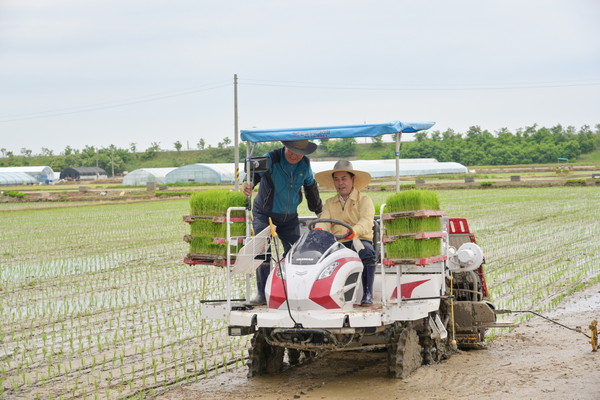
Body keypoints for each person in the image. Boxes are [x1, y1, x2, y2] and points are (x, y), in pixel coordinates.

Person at [243, 139, 323, 305]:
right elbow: (253, 174)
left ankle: (291, 291)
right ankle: (263, 294)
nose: (294, 155)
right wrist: (248, 183)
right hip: (264, 213)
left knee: (296, 252)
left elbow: (310, 186)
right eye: (291, 150)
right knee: (262, 251)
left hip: (289, 216)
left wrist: (318, 210)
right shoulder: (272, 158)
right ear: (285, 147)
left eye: (299, 153)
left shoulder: (305, 165)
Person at [314, 160, 376, 305]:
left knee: (367, 252)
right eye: (336, 179)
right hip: (337, 243)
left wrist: (354, 231)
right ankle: (323, 296)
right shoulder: (330, 202)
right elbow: (324, 220)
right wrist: (319, 230)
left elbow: (366, 222)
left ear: (352, 179)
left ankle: (367, 293)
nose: (340, 183)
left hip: (358, 240)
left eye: (344, 178)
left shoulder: (365, 200)